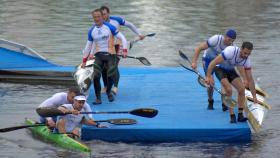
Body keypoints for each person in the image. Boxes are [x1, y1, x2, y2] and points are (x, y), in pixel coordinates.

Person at [81, 9, 128, 104]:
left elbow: (123, 38)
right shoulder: (91, 31)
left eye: (99, 17)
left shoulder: (110, 27)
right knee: (96, 76)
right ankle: (98, 99)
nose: (97, 19)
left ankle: (108, 91)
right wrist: (84, 61)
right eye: (95, 17)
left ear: (102, 17)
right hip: (99, 56)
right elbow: (88, 46)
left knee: (110, 75)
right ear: (93, 18)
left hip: (111, 55)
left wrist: (125, 50)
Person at [205, 41, 257, 123]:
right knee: (229, 89)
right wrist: (208, 76)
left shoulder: (247, 60)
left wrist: (254, 96)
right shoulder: (230, 51)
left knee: (241, 89)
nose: (246, 56)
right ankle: (232, 116)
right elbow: (213, 63)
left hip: (230, 70)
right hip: (219, 69)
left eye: (249, 54)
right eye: (245, 53)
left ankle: (240, 115)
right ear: (241, 49)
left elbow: (250, 79)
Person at [99, 5, 145, 95]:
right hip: (107, 47)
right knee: (104, 68)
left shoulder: (117, 20)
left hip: (118, 45)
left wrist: (139, 34)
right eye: (101, 15)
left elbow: (130, 25)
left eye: (104, 14)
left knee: (113, 66)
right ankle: (105, 86)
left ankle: (115, 87)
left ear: (108, 13)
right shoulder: (99, 24)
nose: (103, 16)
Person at [191, 29, 237, 111]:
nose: (229, 42)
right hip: (207, 60)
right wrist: (194, 62)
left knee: (224, 81)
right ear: (225, 36)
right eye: (228, 39)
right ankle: (210, 100)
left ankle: (224, 102)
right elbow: (199, 48)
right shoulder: (216, 39)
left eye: (232, 41)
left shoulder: (232, 47)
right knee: (211, 83)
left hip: (219, 62)